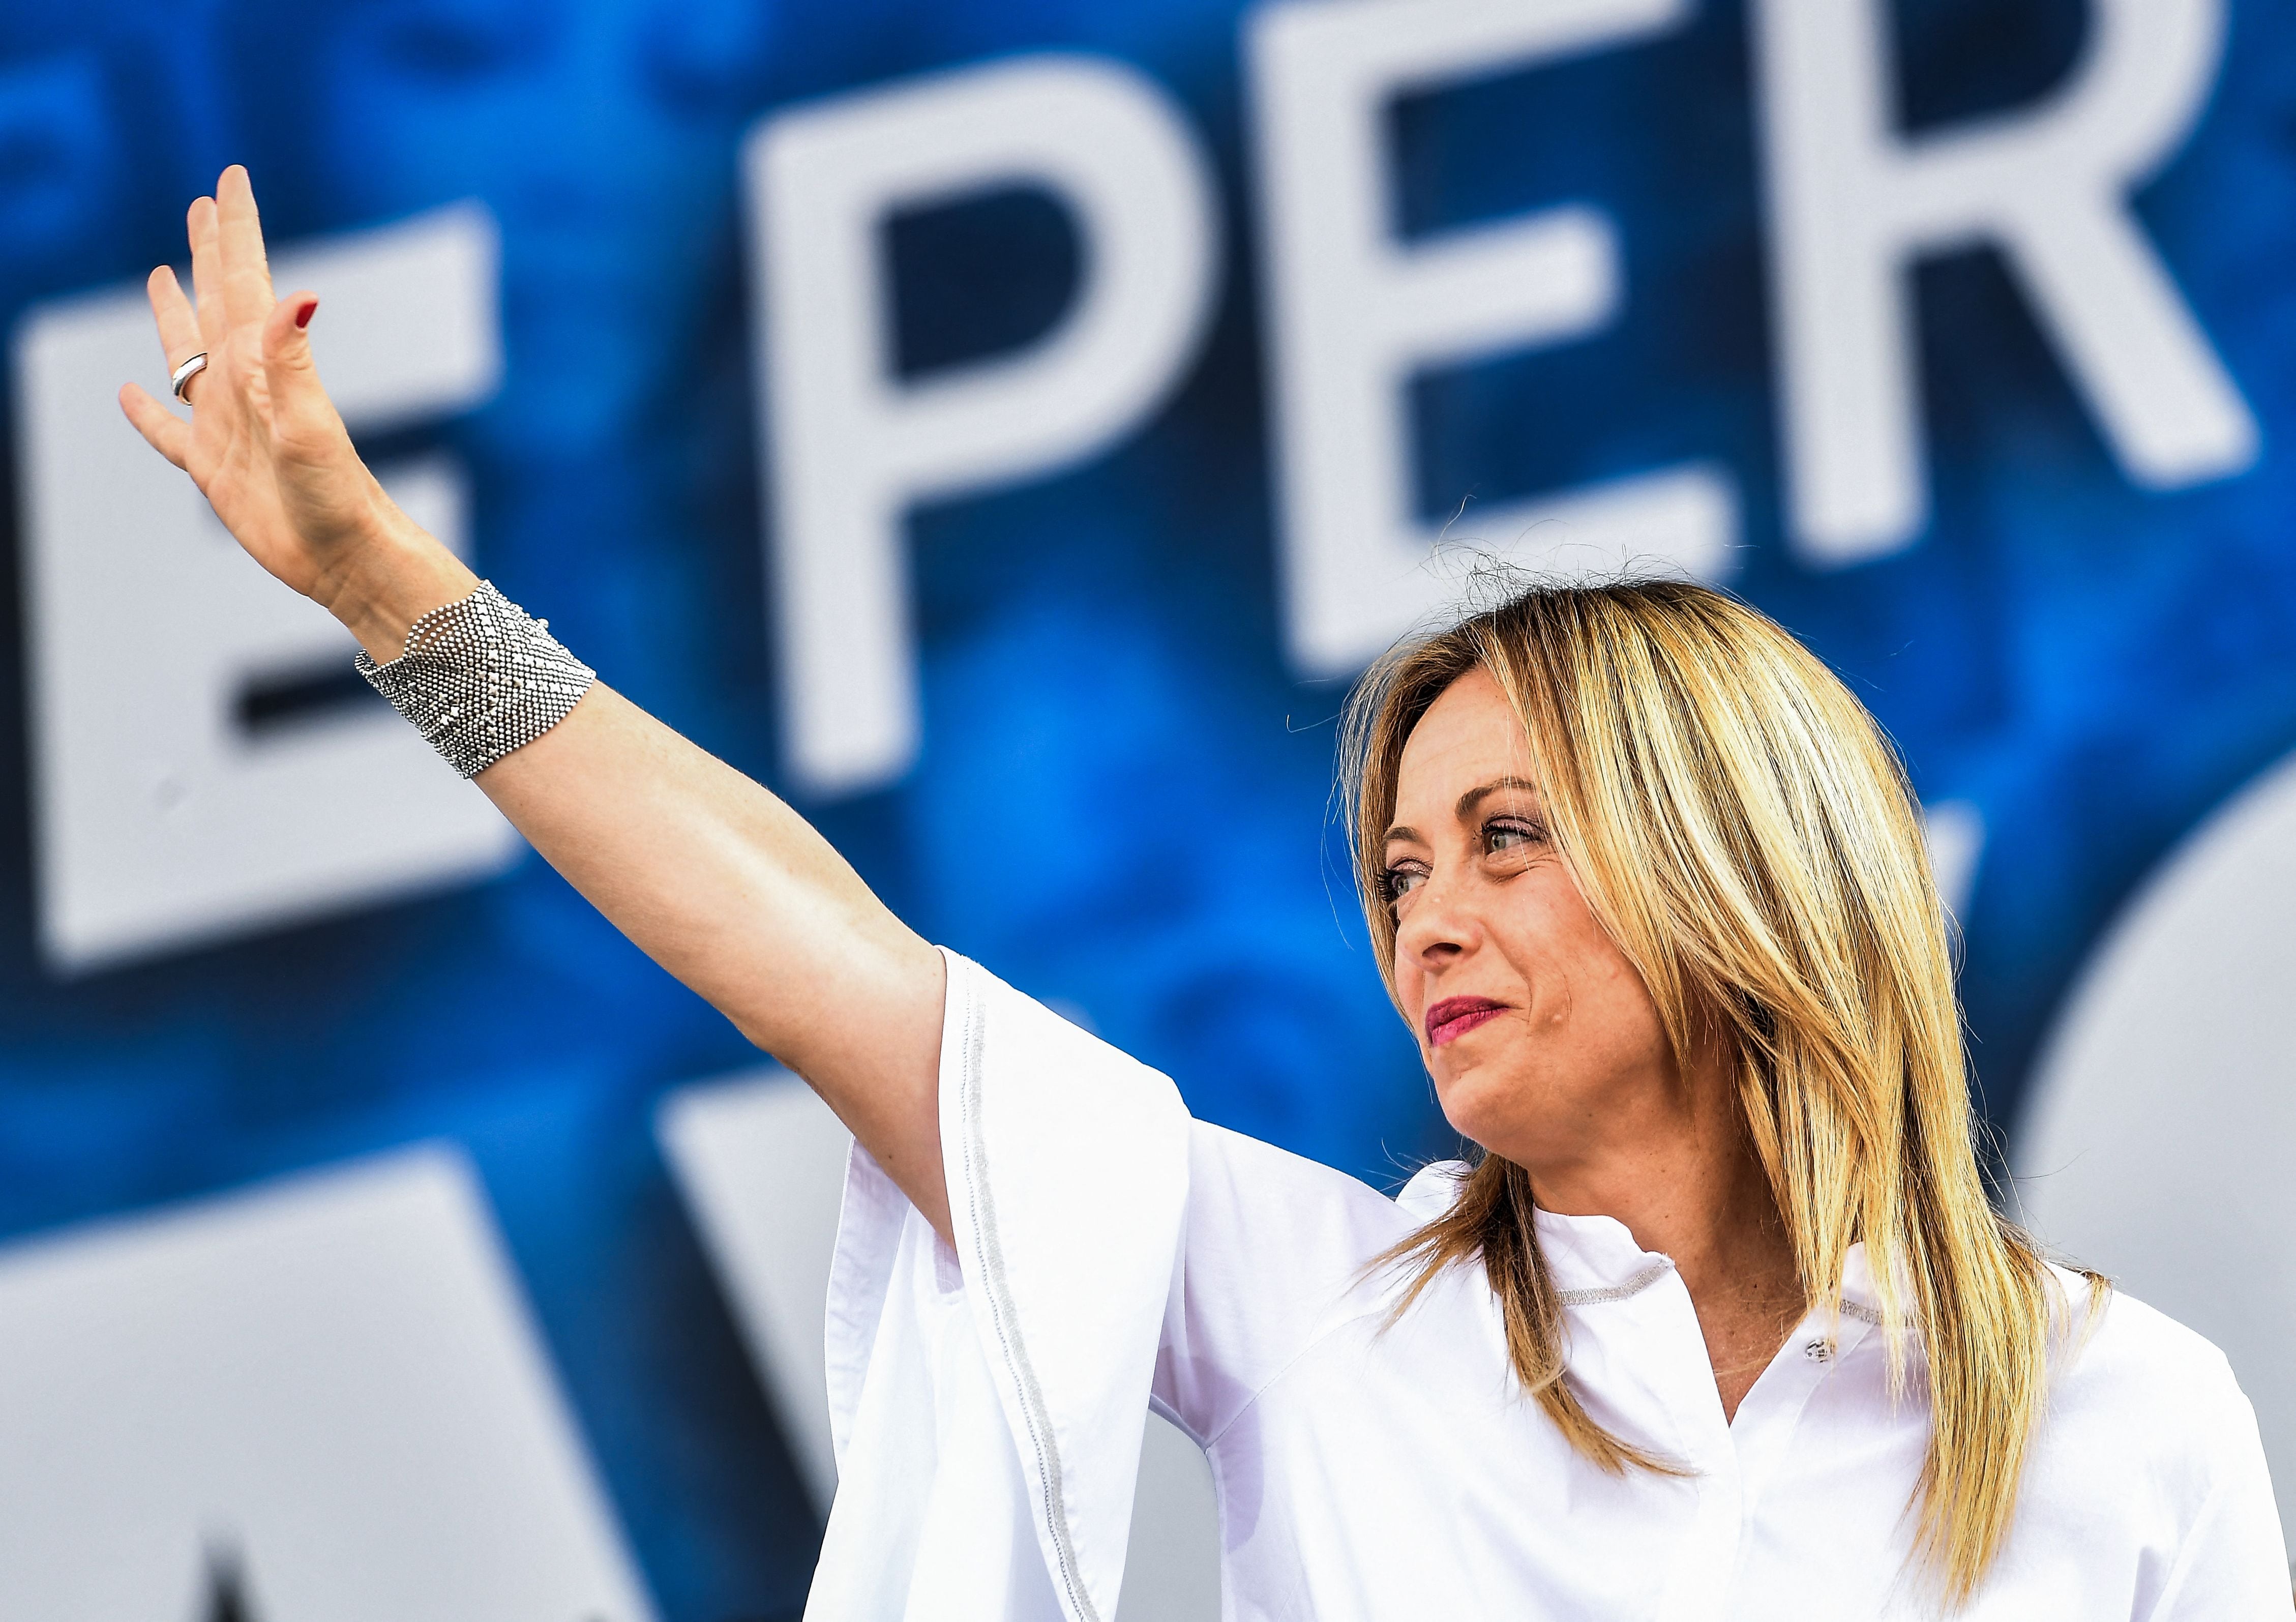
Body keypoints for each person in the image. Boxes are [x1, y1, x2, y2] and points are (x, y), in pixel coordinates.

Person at [122, 168, 2288, 1619]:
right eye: (1397, 866)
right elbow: (818, 965)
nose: (1424, 914)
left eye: (1508, 836)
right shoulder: (1314, 1304)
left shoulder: (2128, 1415)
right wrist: (384, 590)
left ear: (1741, 857)